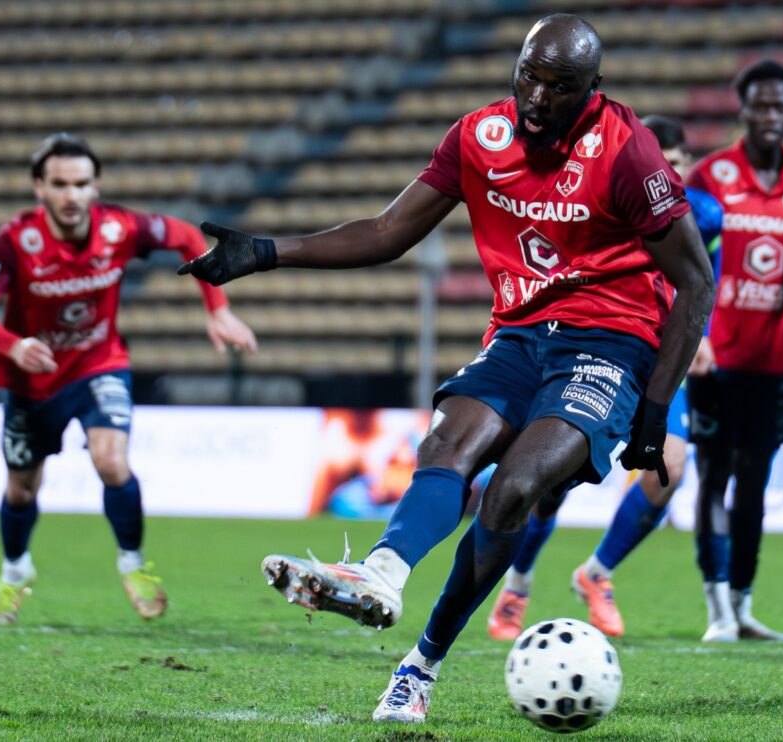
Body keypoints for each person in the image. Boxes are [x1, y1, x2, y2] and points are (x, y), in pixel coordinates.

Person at [179, 14, 714, 724]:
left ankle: (420, 666)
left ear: (592, 90)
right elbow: (386, 231)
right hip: (520, 334)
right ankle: (381, 573)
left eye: (560, 87)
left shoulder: (628, 152)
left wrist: (652, 413)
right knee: (448, 443)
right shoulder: (478, 138)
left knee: (515, 488)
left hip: (609, 342)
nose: (537, 98)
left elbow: (697, 282)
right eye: (529, 76)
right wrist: (268, 251)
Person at [0, 133, 258, 624]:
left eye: (81, 184)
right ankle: (14, 571)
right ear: (39, 188)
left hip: (99, 364)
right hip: (34, 380)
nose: (71, 195)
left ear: (96, 186)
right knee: (21, 490)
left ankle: (133, 566)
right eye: (60, 184)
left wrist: (216, 308)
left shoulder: (118, 227)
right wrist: (14, 344)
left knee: (112, 462)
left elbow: (183, 235)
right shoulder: (15, 241)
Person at [485, 114, 723, 640]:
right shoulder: (607, 203)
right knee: (550, 483)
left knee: (671, 469)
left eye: (678, 164)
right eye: (662, 163)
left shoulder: (705, 216)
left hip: (661, 360)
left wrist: (701, 333)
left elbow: (707, 278)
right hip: (601, 349)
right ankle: (518, 583)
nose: (669, 173)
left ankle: (597, 573)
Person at [685, 59, 783, 643]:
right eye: (761, 105)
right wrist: (692, 337)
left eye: (781, 106)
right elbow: (686, 267)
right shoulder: (709, 176)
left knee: (755, 485)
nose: (772, 116)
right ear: (742, 109)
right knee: (713, 475)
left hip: (775, 362)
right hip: (715, 356)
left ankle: (743, 604)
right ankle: (716, 604)